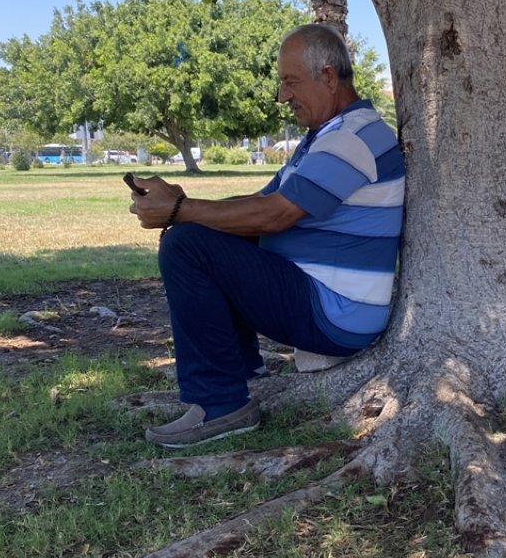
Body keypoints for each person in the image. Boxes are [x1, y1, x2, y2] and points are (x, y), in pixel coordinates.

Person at [128, 24, 405, 448]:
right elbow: (262, 201)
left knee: (186, 246)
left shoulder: (351, 139)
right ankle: (241, 376)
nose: (283, 96)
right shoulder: (329, 136)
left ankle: (220, 404)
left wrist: (180, 213)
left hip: (335, 313)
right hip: (322, 298)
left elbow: (274, 215)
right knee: (200, 232)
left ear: (328, 77)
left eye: (291, 83)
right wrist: (185, 204)